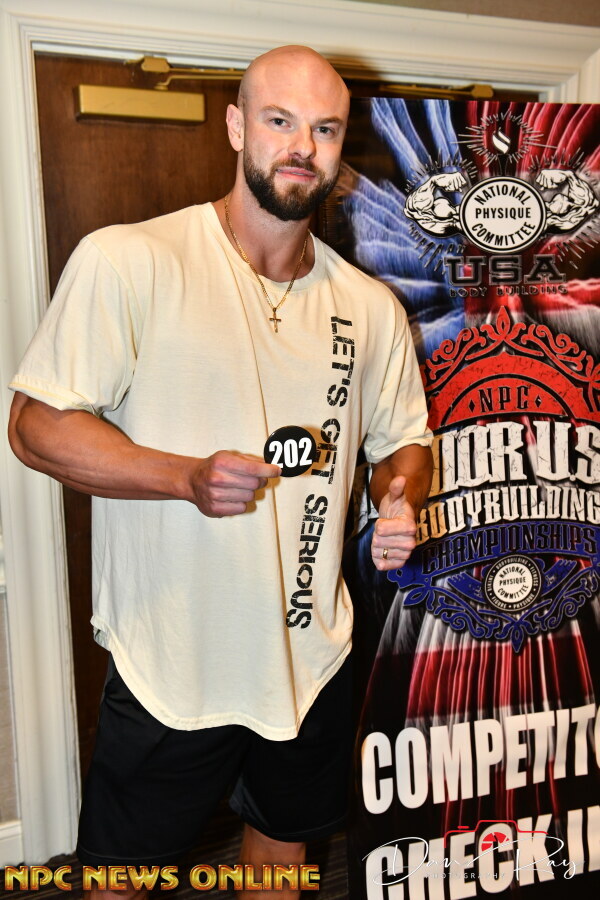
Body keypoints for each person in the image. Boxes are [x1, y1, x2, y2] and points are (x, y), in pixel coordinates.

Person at [8, 46, 433, 899]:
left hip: (310, 656)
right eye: (280, 121)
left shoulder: (371, 308)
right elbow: (35, 426)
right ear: (238, 127)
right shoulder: (131, 261)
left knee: (280, 862)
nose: (301, 146)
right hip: (173, 661)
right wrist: (184, 478)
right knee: (120, 881)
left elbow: (405, 441)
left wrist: (399, 498)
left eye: (324, 129)